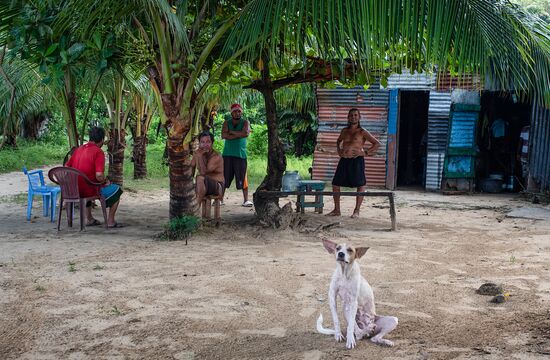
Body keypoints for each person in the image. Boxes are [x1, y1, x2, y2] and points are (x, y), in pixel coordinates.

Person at [327, 108, 381, 218]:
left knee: (360, 184)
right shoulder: (344, 131)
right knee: (335, 184)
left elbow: (376, 144)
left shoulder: (362, 132)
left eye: (356, 115)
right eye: (351, 115)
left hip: (357, 160)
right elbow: (338, 141)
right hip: (344, 160)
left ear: (359, 117)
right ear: (348, 117)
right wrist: (339, 150)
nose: (353, 117)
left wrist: (365, 153)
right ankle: (337, 210)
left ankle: (356, 211)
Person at [65, 126, 123, 227]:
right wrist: (106, 181)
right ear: (101, 140)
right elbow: (99, 175)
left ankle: (89, 219)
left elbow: (66, 167)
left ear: (90, 138)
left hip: (74, 189)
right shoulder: (98, 152)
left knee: (87, 186)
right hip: (89, 190)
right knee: (117, 190)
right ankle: (110, 221)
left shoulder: (79, 149)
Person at [222, 103, 253, 207]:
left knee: (242, 177)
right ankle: (220, 200)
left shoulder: (245, 122)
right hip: (227, 154)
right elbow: (224, 135)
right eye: (235, 111)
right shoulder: (226, 122)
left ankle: (246, 200)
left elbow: (245, 134)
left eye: (239, 111)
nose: (237, 113)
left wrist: (231, 132)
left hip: (240, 155)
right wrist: (238, 134)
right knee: (224, 177)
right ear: (231, 113)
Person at [191, 131, 224, 208]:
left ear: (212, 143)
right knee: (197, 180)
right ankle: (193, 210)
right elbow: (191, 167)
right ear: (199, 143)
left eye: (208, 142)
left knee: (199, 178)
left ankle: (196, 208)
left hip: (217, 186)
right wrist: (188, 182)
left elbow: (203, 172)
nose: (205, 145)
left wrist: (199, 157)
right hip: (202, 185)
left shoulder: (216, 156)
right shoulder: (198, 153)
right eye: (202, 142)